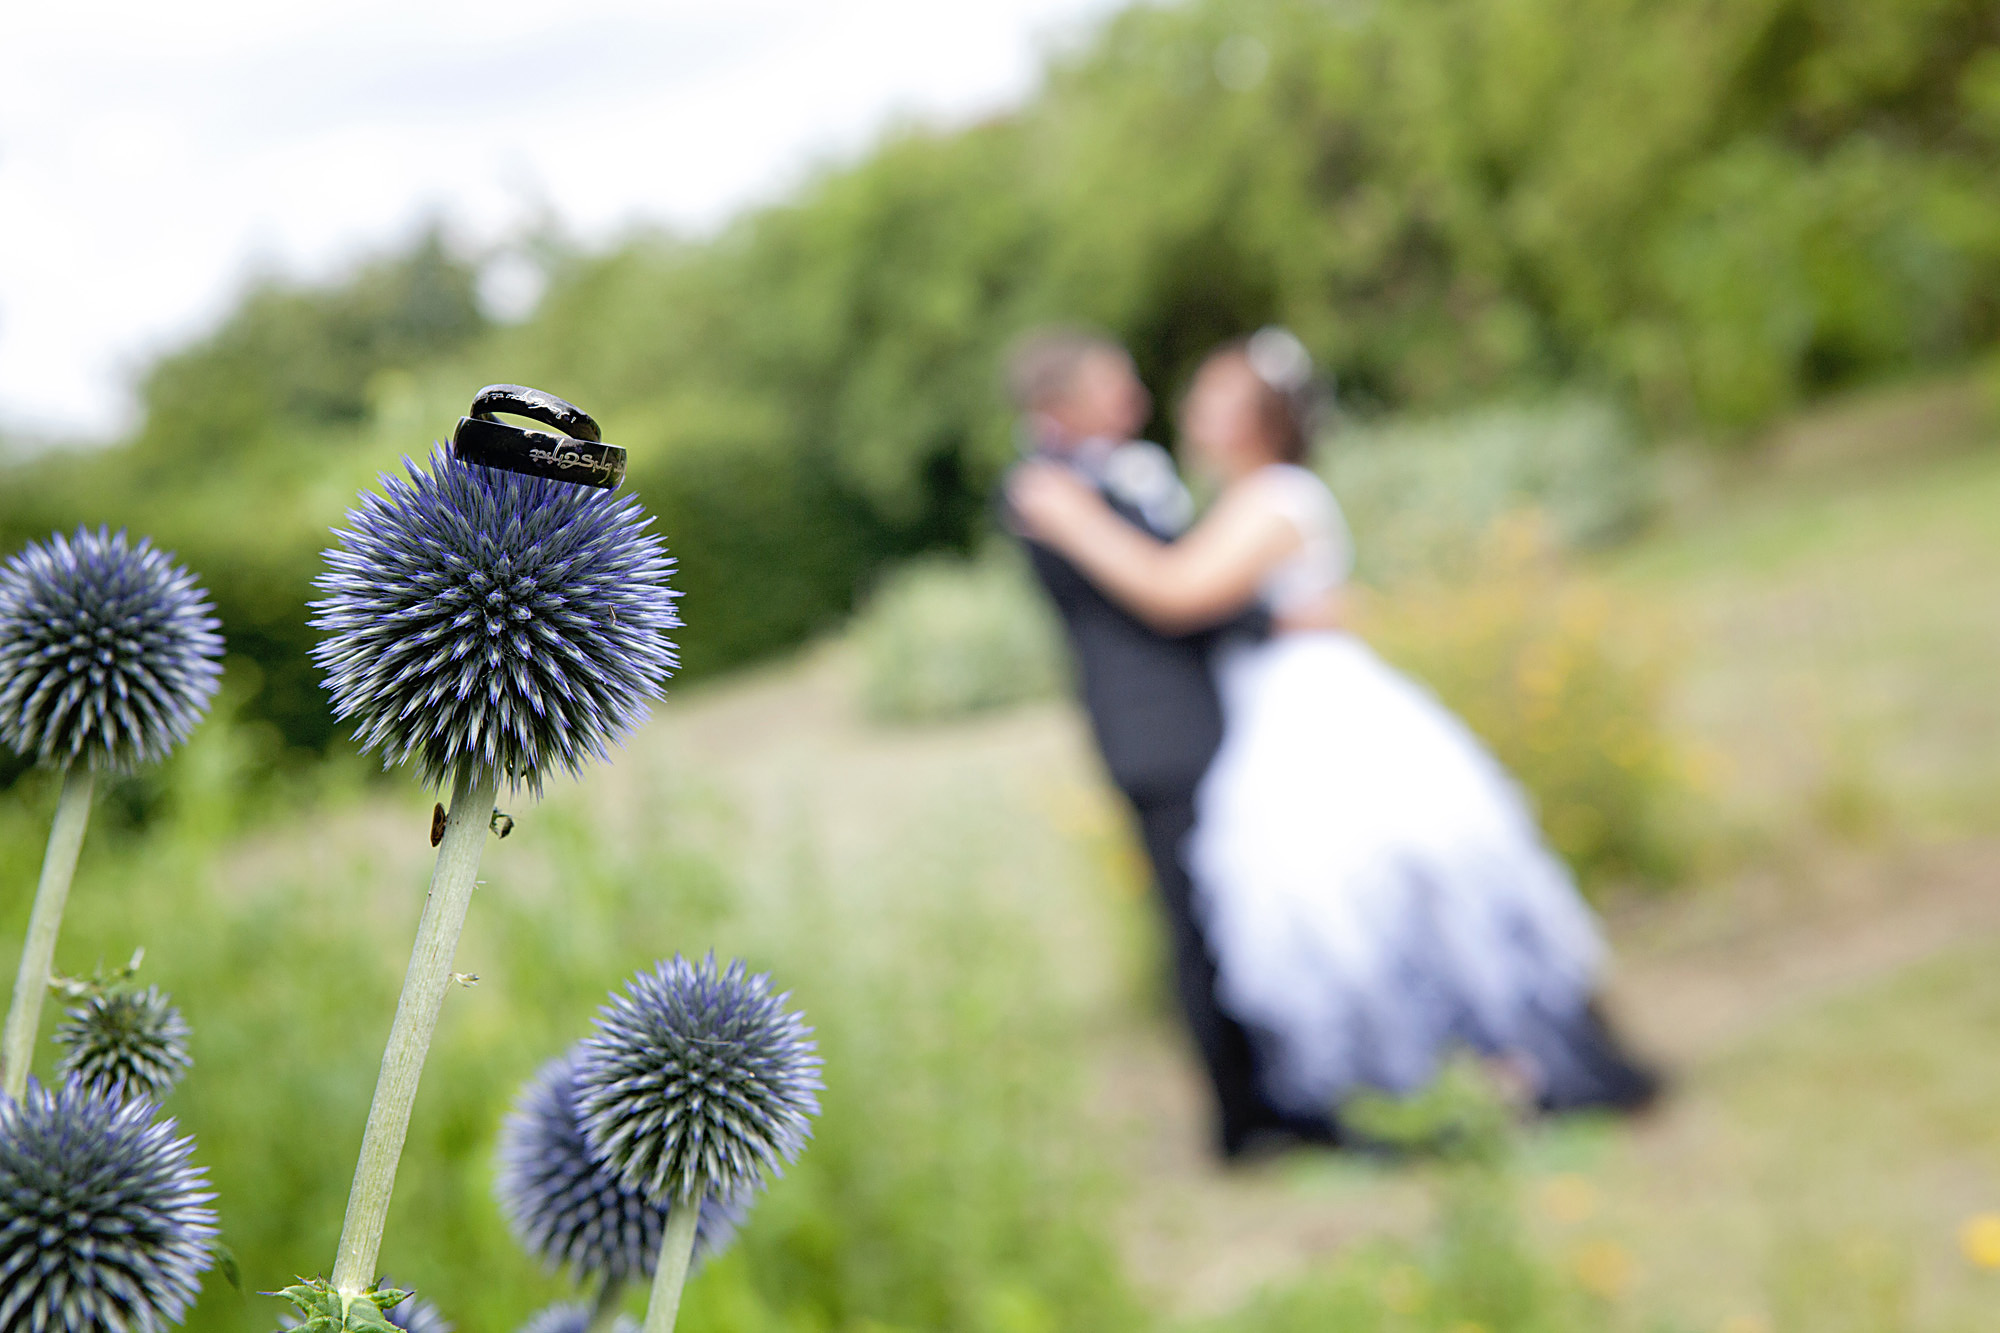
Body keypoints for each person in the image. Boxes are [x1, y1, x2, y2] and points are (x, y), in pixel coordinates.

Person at [1009, 328, 1659, 1125]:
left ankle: (1479, 1069)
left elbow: (1177, 591)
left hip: (1312, 720)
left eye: (1215, 398)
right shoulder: (1237, 501)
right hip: (1263, 718)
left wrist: (1072, 517)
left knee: (1362, 889)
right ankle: (1396, 1083)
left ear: (1258, 420)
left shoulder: (1278, 497)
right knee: (1319, 905)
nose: (1189, 409)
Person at [1002, 327, 1342, 1158]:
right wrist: (1277, 615)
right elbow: (1163, 595)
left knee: (1241, 909)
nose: (1137, 398)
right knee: (1196, 925)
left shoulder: (1122, 474)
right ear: (1061, 404)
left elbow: (1189, 577)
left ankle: (1285, 1085)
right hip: (1158, 734)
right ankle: (1245, 1119)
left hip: (1216, 715)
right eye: (1113, 384)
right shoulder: (1044, 492)